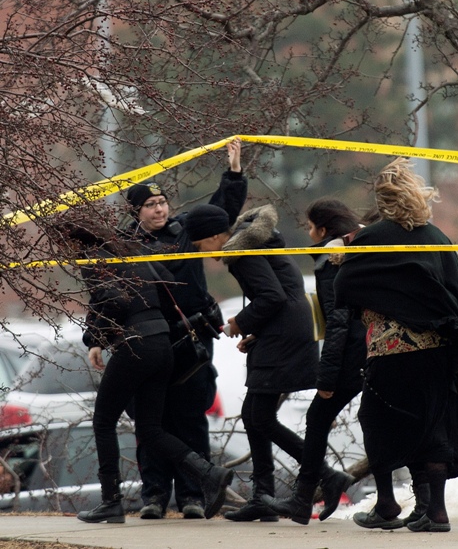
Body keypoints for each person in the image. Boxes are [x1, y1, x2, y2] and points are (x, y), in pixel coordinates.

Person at [333, 158, 458, 533]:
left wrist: (344, 258)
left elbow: (345, 287)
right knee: (432, 425)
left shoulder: (372, 236)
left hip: (392, 351)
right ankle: (435, 511)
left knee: (376, 419)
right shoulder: (437, 236)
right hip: (437, 352)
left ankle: (386, 503)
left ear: (383, 200)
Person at [61, 223, 233, 524]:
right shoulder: (133, 253)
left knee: (103, 421)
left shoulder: (93, 258)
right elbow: (168, 285)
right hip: (162, 344)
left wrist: (98, 338)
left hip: (135, 345)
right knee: (151, 429)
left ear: (75, 243)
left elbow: (111, 300)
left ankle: (110, 502)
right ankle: (209, 472)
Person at [123, 137, 247, 519]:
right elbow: (108, 293)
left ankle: (192, 495)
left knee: (190, 418)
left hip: (192, 339)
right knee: (152, 421)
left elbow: (219, 210)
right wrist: (96, 337)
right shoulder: (124, 245)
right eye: (151, 205)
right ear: (137, 211)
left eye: (162, 203)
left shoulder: (184, 232)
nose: (159, 209)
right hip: (150, 341)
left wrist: (234, 173)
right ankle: (155, 495)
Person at [184, 202, 326, 523]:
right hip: (281, 331)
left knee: (259, 417)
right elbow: (282, 293)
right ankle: (264, 497)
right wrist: (257, 334)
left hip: (285, 334)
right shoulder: (252, 243)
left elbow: (272, 297)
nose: (203, 253)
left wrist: (241, 323)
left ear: (217, 236)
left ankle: (325, 475)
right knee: (254, 415)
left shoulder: (241, 251)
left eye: (201, 244)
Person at [260, 198, 367, 524]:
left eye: (310, 227)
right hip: (376, 348)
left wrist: (327, 376)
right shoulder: (360, 246)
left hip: (353, 354)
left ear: (323, 228)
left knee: (318, 417)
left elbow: (338, 320)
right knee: (376, 422)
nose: (308, 234)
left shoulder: (330, 259)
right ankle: (314, 495)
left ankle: (305, 497)